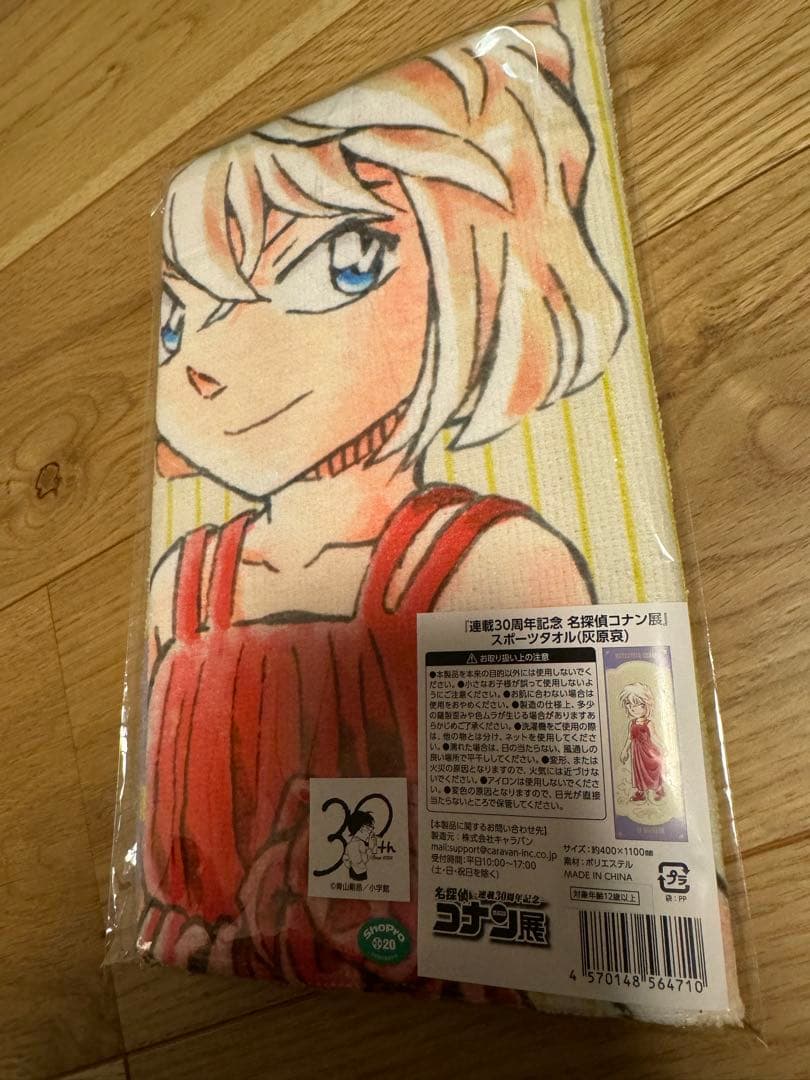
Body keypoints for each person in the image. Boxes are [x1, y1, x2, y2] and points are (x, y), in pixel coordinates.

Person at [138, 5, 626, 993]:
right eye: (181, 316)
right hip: (216, 998)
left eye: (339, 262)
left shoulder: (489, 567)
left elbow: (583, 859)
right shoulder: (180, 588)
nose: (205, 358)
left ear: (476, 270)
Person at [619, 683, 665, 802]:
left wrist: (662, 747)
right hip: (637, 753)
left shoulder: (648, 723)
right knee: (639, 771)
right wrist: (624, 751)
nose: (632, 708)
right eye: (629, 704)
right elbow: (629, 738)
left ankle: (658, 789)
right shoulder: (632, 723)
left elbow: (654, 737)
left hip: (649, 752)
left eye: (636, 704)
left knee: (653, 770)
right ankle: (641, 792)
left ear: (645, 704)